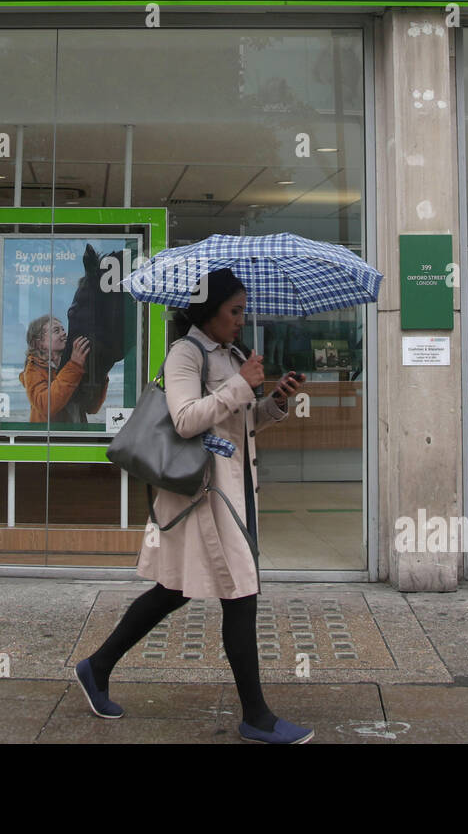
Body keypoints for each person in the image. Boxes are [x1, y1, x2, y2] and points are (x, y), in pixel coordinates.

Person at [73, 268, 311, 743]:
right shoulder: (187, 353)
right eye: (234, 311)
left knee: (174, 589)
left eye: (244, 311)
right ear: (210, 311)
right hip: (202, 495)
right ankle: (256, 717)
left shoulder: (235, 355)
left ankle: (96, 666)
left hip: (232, 489)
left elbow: (237, 427)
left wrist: (274, 402)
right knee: (240, 595)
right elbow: (185, 421)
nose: (242, 320)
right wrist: (241, 385)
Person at [19, 315, 108, 423]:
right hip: (52, 438)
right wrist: (74, 366)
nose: (64, 333)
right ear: (39, 344)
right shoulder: (33, 369)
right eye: (56, 331)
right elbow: (46, 406)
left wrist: (100, 373)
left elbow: (91, 408)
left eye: (63, 329)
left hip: (77, 436)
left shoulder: (71, 364)